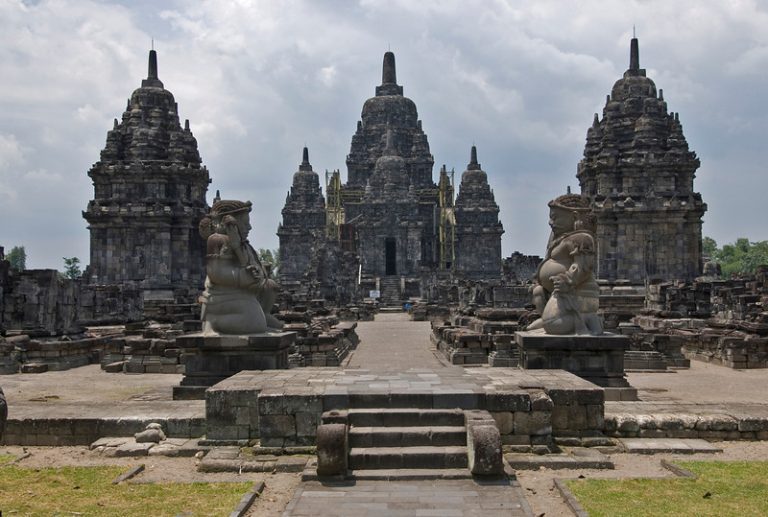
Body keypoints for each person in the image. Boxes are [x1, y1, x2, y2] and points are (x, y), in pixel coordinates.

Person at [199, 200, 283, 334]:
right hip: (221, 297)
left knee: (270, 286)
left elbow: (249, 265)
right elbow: (216, 273)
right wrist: (242, 275)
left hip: (244, 293)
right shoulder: (217, 240)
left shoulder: (242, 244)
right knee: (255, 323)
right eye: (244, 223)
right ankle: (213, 322)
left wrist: (239, 248)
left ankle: (263, 313)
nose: (249, 227)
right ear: (227, 224)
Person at [527, 193, 602, 335]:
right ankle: (549, 319)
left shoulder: (582, 238)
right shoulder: (561, 239)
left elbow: (584, 266)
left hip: (577, 293)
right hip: (557, 293)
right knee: (537, 293)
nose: (550, 222)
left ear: (574, 217)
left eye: (555, 217)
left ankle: (585, 320)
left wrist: (568, 280)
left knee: (553, 326)